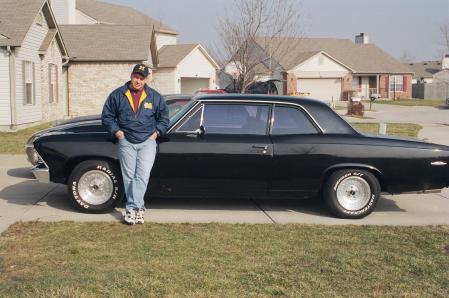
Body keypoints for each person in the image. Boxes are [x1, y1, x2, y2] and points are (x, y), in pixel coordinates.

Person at [101, 64, 169, 225]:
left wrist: (156, 133)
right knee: (129, 177)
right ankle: (137, 210)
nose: (138, 81)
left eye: (141, 78)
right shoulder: (118, 95)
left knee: (142, 176)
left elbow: (164, 118)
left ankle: (133, 208)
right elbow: (107, 116)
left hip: (148, 142)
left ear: (146, 79)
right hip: (126, 141)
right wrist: (118, 133)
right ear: (131, 76)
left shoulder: (154, 97)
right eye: (136, 77)